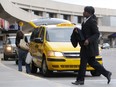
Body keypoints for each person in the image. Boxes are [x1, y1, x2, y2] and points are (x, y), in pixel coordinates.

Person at [72, 6, 112, 85]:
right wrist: (78, 31)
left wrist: (88, 40)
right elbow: (85, 33)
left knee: (83, 63)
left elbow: (97, 34)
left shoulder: (92, 21)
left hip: (89, 47)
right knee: (92, 62)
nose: (83, 12)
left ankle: (80, 80)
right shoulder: (85, 21)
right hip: (85, 46)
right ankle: (107, 73)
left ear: (88, 13)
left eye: (84, 11)